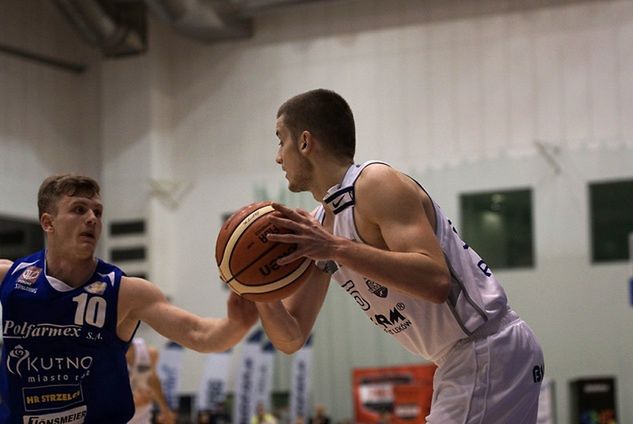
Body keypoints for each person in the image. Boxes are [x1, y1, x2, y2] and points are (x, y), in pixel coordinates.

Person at [255, 89, 545, 423]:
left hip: (487, 348)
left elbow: (436, 281)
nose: (278, 157)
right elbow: (292, 337)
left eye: (281, 141)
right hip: (470, 359)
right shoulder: (320, 227)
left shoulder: (374, 183)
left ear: (305, 142)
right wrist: (258, 292)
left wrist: (336, 248)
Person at [0, 174, 258, 423]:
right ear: (48, 223)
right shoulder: (10, 277)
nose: (91, 218)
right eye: (79, 209)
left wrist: (236, 324)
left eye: (97, 212)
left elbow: (198, 333)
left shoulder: (125, 291)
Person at [126, 337, 175, 424]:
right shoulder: (104, 354)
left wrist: (164, 409)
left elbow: (152, 380)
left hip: (142, 417)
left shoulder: (148, 352)